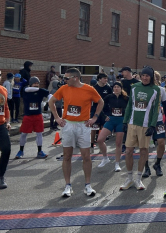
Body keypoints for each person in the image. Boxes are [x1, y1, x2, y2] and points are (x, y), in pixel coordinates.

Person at [48, 68, 104, 197]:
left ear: (76, 78)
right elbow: (52, 101)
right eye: (64, 78)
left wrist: (94, 117)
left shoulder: (89, 89)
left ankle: (88, 185)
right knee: (67, 156)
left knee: (86, 156)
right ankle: (68, 186)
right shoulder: (64, 88)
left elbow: (100, 101)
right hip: (68, 125)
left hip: (83, 126)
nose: (64, 80)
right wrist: (57, 117)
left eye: (67, 78)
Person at [120, 66, 160, 190]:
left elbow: (155, 109)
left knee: (144, 151)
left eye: (147, 76)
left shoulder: (156, 90)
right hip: (132, 123)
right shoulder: (134, 87)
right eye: (143, 75)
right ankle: (129, 178)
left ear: (151, 77)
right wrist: (125, 121)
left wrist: (152, 125)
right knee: (128, 151)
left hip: (145, 125)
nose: (144, 78)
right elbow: (130, 106)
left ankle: (138, 178)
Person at [15, 76, 49, 159]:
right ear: (30, 84)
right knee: (24, 134)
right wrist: (39, 89)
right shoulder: (26, 90)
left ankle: (40, 151)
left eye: (37, 83)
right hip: (28, 116)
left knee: (39, 133)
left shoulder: (40, 91)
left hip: (38, 115)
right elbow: (27, 89)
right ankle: (21, 151)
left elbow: (47, 92)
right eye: (34, 83)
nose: (36, 85)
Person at [97, 82, 129, 172]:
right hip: (111, 120)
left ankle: (117, 163)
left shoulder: (126, 98)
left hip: (121, 121)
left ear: (121, 88)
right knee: (100, 139)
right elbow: (100, 106)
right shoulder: (109, 97)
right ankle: (105, 157)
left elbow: (131, 109)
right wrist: (104, 116)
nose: (116, 88)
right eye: (114, 87)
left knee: (118, 143)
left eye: (118, 87)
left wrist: (127, 120)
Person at [150, 71, 166, 177]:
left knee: (161, 142)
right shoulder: (145, 89)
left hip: (159, 120)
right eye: (153, 77)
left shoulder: (161, 90)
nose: (155, 79)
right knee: (145, 145)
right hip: (146, 121)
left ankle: (157, 164)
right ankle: (146, 167)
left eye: (156, 78)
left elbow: (165, 105)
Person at [91, 72, 113, 154]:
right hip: (95, 110)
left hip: (105, 110)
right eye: (104, 78)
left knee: (103, 128)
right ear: (99, 79)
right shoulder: (94, 88)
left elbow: (111, 99)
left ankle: (101, 146)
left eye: (106, 78)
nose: (106, 80)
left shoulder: (108, 88)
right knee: (94, 128)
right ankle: (91, 145)